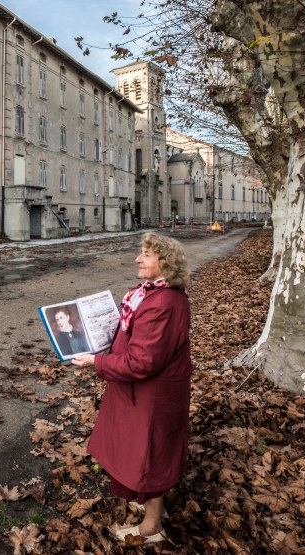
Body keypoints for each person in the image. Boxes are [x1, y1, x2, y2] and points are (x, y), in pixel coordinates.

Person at [71, 232, 192, 544]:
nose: (138, 258)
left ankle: (152, 528)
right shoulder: (153, 294)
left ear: (165, 263)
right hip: (146, 394)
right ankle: (153, 512)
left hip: (151, 396)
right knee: (147, 453)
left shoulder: (162, 302)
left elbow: (142, 362)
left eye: (147, 255)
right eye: (141, 252)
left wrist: (95, 362)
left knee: (148, 457)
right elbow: (133, 336)